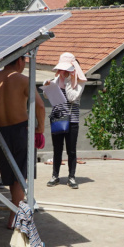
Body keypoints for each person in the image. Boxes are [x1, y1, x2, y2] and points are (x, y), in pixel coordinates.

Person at [0, 55, 46, 227]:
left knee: (12, 174)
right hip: (21, 130)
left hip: (0, 131)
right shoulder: (22, 80)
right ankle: (15, 215)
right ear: (19, 61)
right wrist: (40, 129)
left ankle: (15, 214)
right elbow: (41, 106)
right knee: (20, 174)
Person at [45, 52, 86, 189]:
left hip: (72, 120)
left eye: (66, 69)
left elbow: (72, 98)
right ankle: (55, 176)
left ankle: (71, 177)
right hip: (57, 118)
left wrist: (69, 81)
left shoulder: (79, 82)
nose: (62, 72)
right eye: (61, 69)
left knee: (71, 150)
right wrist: (47, 86)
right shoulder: (57, 80)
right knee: (57, 149)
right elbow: (47, 95)